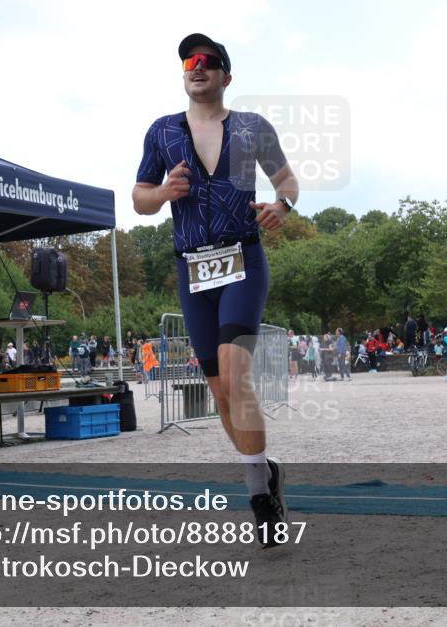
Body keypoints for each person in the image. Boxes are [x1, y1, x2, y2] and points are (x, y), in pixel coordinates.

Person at [132, 33, 298, 545]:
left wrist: (282, 206)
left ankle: (258, 498)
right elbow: (139, 198)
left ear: (226, 76)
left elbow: (287, 180)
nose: (196, 67)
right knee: (219, 392)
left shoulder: (251, 128)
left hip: (242, 259)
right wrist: (163, 193)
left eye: (207, 62)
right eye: (188, 61)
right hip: (192, 271)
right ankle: (265, 469)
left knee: (235, 370)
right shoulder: (162, 132)